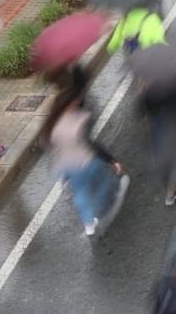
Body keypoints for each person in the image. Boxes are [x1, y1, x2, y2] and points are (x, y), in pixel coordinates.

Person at [48, 89, 128, 238]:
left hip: (69, 166)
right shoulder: (80, 120)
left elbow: (55, 149)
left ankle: (89, 225)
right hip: (87, 162)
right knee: (105, 180)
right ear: (70, 104)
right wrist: (112, 160)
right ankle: (109, 198)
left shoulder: (52, 125)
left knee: (80, 193)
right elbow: (92, 145)